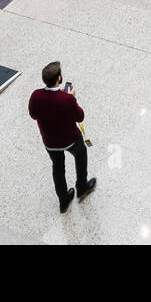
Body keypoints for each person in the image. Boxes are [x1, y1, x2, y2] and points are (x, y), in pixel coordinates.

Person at [27, 62, 96, 214]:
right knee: (81, 154)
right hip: (70, 138)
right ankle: (82, 187)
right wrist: (72, 98)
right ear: (59, 78)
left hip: (50, 141)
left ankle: (63, 201)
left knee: (57, 167)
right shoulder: (66, 99)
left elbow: (33, 115)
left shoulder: (36, 96)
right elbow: (80, 117)